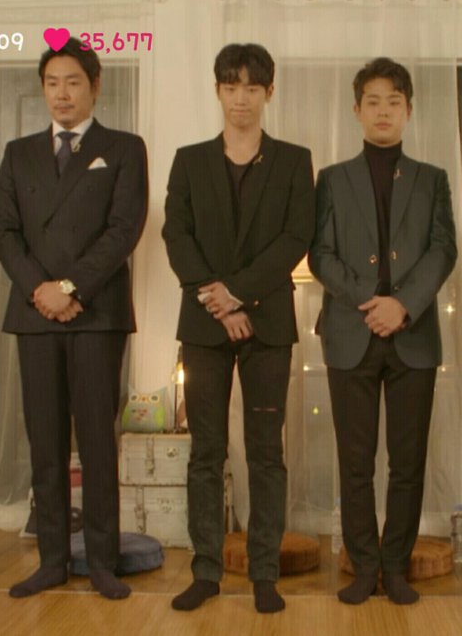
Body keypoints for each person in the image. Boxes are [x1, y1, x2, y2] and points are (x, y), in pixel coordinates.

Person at [0, 37, 148, 600]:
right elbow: (3, 230)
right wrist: (41, 289)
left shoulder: (123, 148)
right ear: (43, 89)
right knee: (46, 442)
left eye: (73, 82)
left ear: (95, 86)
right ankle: (52, 561)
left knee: (98, 443)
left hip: (95, 312)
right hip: (36, 314)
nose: (62, 94)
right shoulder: (18, 153)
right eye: (52, 83)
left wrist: (71, 287)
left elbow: (124, 228)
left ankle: (102, 563)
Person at [162, 43, 314, 613]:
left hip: (268, 323)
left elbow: (296, 236)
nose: (241, 98)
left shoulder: (294, 160)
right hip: (205, 325)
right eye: (231, 87)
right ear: (218, 91)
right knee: (206, 451)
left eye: (252, 87)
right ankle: (206, 571)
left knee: (265, 451)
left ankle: (264, 574)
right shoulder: (189, 160)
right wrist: (220, 301)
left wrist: (240, 292)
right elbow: (176, 235)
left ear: (269, 92)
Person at [309, 57, 457, 605]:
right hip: (350, 332)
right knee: (355, 463)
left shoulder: (432, 179)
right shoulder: (332, 179)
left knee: (407, 462)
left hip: (413, 337)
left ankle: (395, 568)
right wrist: (369, 301)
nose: (383, 111)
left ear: (408, 110)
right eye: (373, 101)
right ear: (357, 110)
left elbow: (443, 249)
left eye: (393, 102)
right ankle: (363, 567)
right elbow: (320, 254)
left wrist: (404, 305)